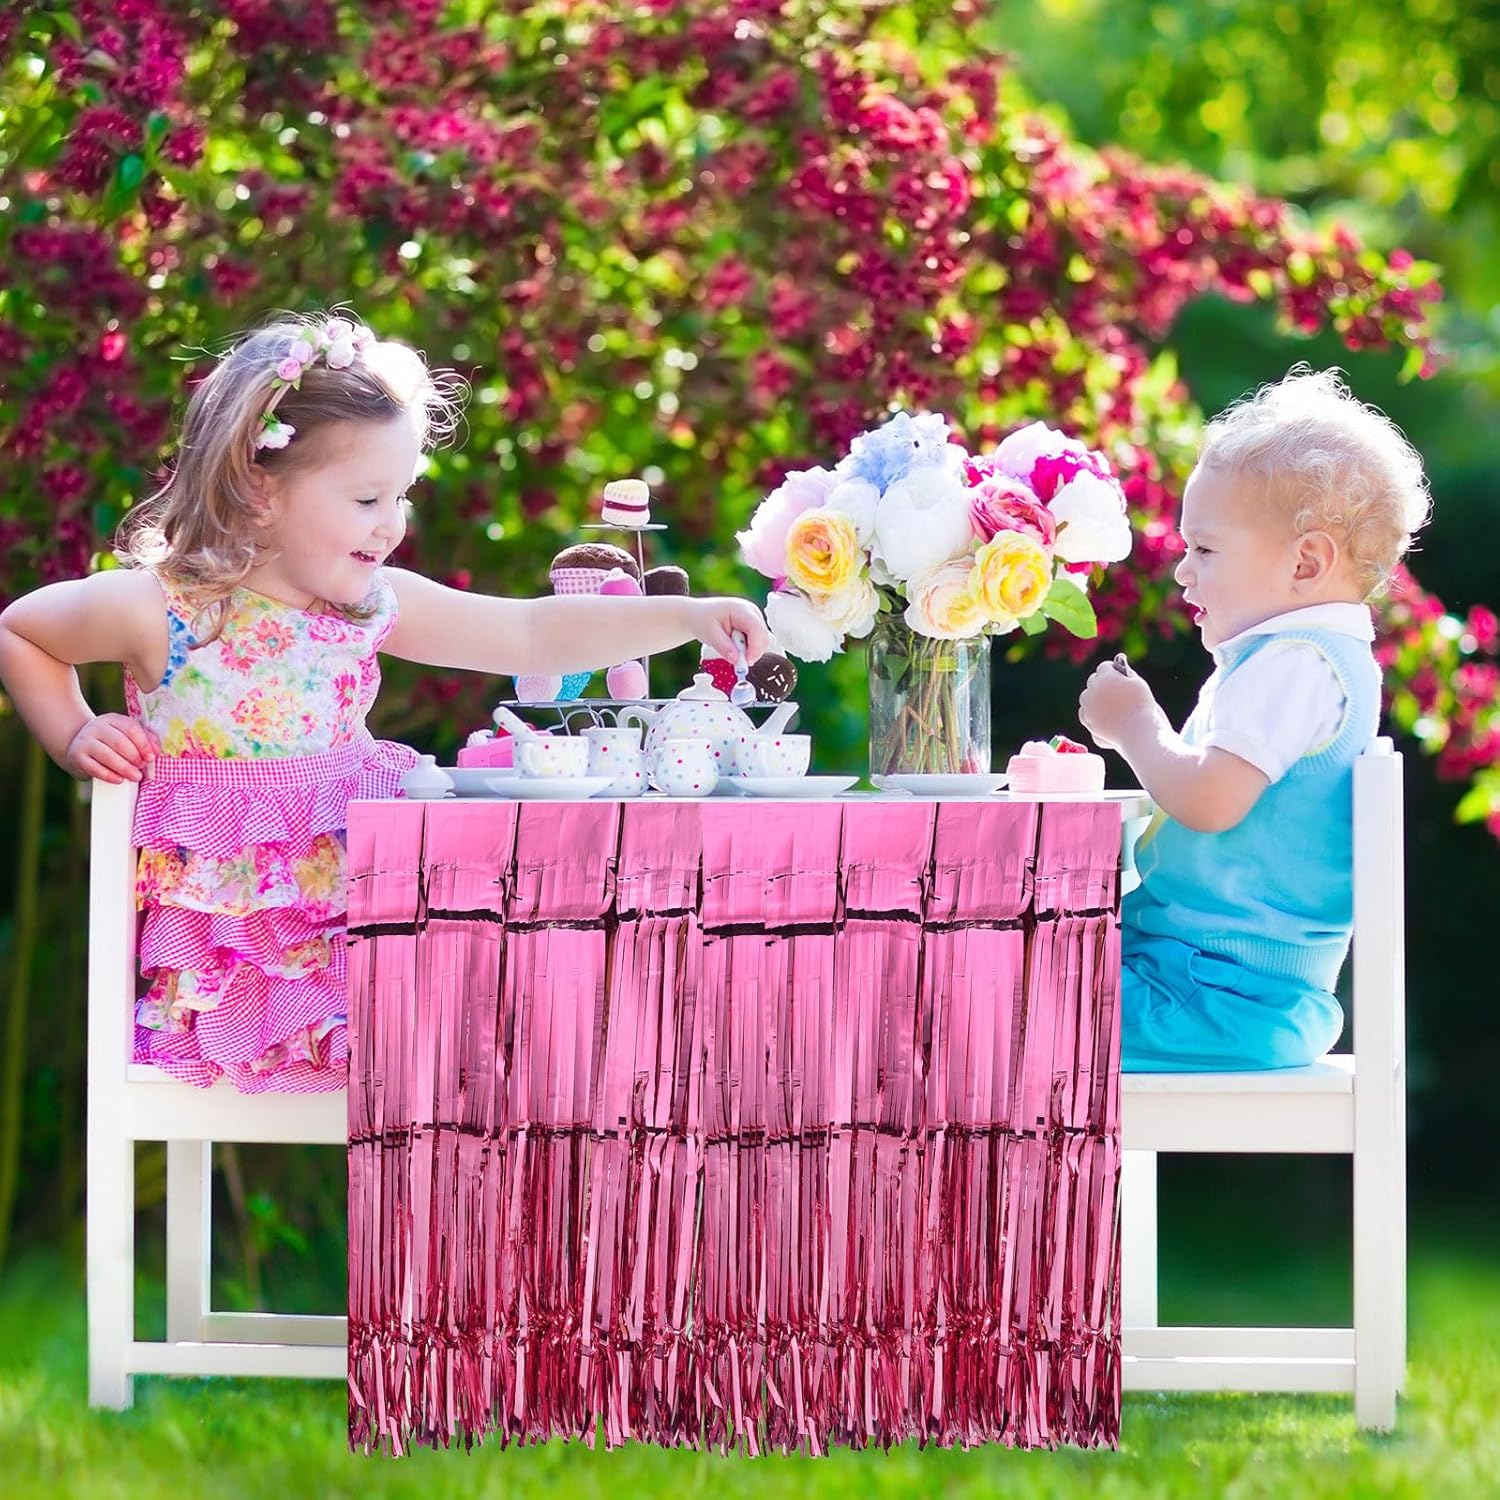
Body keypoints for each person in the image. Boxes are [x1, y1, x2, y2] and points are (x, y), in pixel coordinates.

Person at [0, 313, 769, 1092]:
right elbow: (20, 631)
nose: (392, 524)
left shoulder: (368, 606)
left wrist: (686, 617)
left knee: (537, 982)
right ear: (260, 489)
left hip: (373, 940)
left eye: (401, 496)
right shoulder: (163, 609)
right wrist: (74, 734)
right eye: (368, 498)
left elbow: (530, 633)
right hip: (234, 980)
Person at [1077, 366, 1431, 1071]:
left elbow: (1210, 800)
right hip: (1209, 984)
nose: (1183, 571)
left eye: (1204, 549)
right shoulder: (1309, 661)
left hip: (1215, 994)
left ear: (1306, 563)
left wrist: (1135, 724)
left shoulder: (1296, 663)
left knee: (997, 1008)